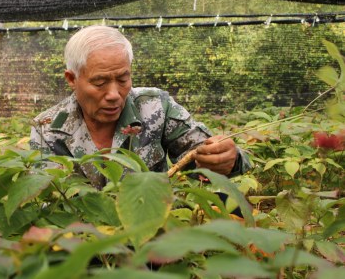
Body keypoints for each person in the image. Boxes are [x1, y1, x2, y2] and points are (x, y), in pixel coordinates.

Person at [30, 25, 250, 189]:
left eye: (123, 79)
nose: (114, 95)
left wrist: (227, 159)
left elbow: (202, 155)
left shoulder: (155, 106)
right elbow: (47, 199)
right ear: (72, 78)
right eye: (100, 82)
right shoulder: (48, 128)